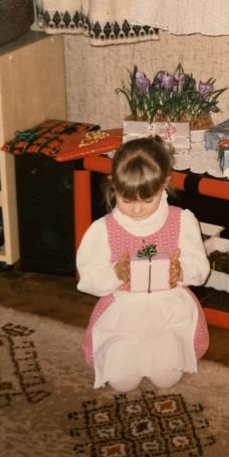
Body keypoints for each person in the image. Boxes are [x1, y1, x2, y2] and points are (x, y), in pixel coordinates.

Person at [77, 136, 210, 392]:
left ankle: (162, 351)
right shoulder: (103, 229)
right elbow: (88, 278)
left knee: (166, 377)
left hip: (169, 308)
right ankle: (125, 352)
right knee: (122, 382)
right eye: (128, 201)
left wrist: (181, 271)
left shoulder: (181, 220)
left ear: (164, 185)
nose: (137, 210)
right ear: (113, 186)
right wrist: (115, 272)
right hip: (124, 311)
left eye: (147, 200)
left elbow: (200, 268)